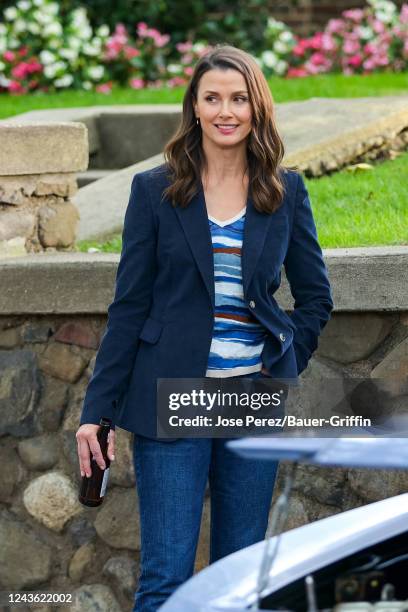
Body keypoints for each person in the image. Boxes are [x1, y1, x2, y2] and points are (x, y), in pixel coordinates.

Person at [76, 44, 333, 611]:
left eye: (238, 99)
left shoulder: (284, 191)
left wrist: (279, 364)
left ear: (256, 108)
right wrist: (97, 411)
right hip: (175, 398)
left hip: (252, 402)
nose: (225, 111)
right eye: (212, 97)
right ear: (193, 106)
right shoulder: (155, 192)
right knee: (166, 577)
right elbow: (128, 308)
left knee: (240, 579)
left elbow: (315, 298)